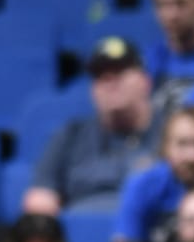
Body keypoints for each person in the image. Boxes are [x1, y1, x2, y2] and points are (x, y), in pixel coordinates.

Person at [25, 37, 164, 219]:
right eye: (100, 76)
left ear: (146, 81)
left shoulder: (170, 133)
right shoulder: (70, 137)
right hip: (82, 241)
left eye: (119, 71)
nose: (110, 81)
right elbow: (38, 200)